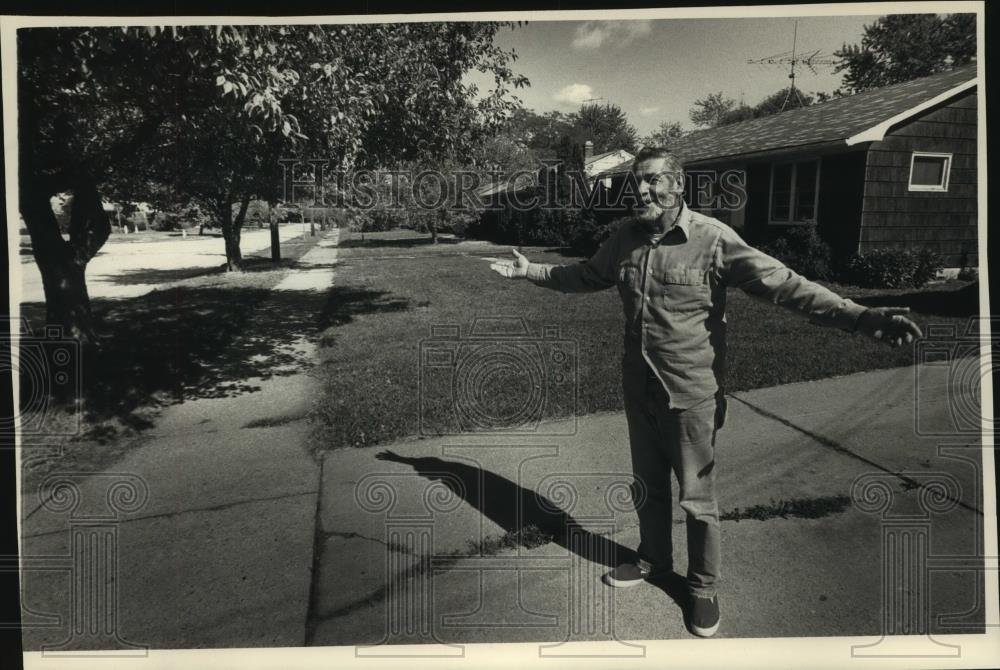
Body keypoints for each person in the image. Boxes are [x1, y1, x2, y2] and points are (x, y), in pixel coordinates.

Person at [489, 147, 921, 638]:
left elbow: (784, 284)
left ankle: (702, 587)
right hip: (639, 387)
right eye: (637, 183)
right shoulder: (624, 239)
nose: (644, 191)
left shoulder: (713, 241)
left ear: (677, 185)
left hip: (690, 393)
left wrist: (861, 317)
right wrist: (531, 272)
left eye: (653, 181)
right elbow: (585, 275)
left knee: (697, 499)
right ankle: (653, 560)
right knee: (647, 487)